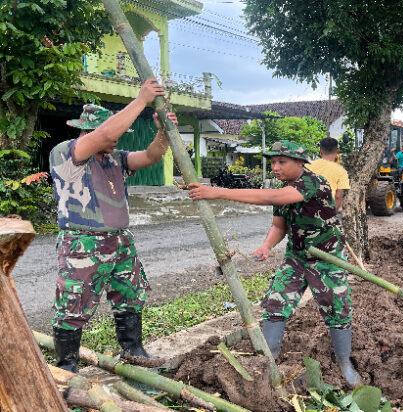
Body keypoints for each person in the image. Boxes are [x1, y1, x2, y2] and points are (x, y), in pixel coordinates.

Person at [187, 140, 361, 387]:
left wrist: (217, 192)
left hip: (326, 258)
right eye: (273, 162)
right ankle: (269, 360)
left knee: (336, 309)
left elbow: (271, 197)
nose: (276, 167)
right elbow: (279, 226)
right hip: (297, 257)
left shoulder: (313, 182)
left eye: (282, 162)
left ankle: (345, 363)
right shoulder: (285, 188)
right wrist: (267, 246)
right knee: (276, 302)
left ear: (300, 163)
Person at [48, 78, 177, 372]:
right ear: (88, 131)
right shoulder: (67, 153)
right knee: (73, 305)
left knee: (129, 296)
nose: (118, 138)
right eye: (115, 133)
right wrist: (141, 99)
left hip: (120, 241)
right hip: (83, 243)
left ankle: (133, 349)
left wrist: (162, 132)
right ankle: (67, 365)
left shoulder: (114, 159)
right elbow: (106, 132)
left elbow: (152, 155)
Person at [307, 137, 350, 211]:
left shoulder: (307, 166)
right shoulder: (342, 171)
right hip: (327, 209)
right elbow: (338, 196)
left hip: (307, 208)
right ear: (337, 151)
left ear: (320, 151)